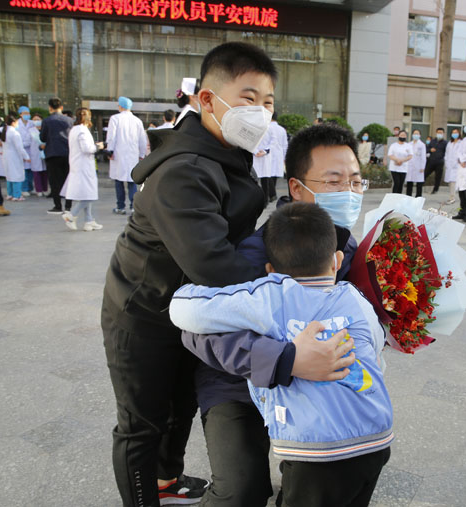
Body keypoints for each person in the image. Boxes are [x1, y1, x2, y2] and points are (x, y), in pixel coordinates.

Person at [101, 42, 312, 507]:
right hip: (144, 311)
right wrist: (290, 273)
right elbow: (214, 264)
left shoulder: (224, 152)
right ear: (208, 100)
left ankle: (165, 480)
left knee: (180, 405)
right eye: (248, 98)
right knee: (141, 424)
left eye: (268, 102)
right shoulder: (184, 170)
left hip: (191, 308)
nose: (260, 112)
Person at [186, 123, 365, 507]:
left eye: (355, 181)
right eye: (334, 182)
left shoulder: (347, 246)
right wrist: (285, 359)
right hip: (237, 381)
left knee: (337, 468)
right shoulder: (258, 251)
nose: (349, 193)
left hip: (313, 382)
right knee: (241, 490)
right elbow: (197, 331)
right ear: (297, 188)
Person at [171, 202, 392, 507]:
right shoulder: (355, 297)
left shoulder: (270, 294)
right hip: (376, 439)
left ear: (271, 271)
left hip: (317, 451)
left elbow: (182, 309)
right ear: (337, 261)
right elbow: (377, 345)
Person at [62, 108, 104, 232]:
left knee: (86, 193)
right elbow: (87, 149)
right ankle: (71, 215)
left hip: (79, 165)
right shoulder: (82, 130)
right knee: (89, 194)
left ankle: (89, 221)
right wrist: (98, 147)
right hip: (84, 166)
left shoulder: (75, 130)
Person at [106, 96, 147, 215]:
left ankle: (120, 206)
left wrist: (110, 151)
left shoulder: (115, 118)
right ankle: (134, 207)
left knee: (119, 181)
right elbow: (142, 139)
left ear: (121, 106)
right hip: (133, 155)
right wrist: (142, 154)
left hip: (118, 155)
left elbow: (111, 137)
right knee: (132, 181)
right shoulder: (137, 121)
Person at [40, 97, 74, 214]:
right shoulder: (69, 120)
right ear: (61, 107)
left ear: (50, 108)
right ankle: (68, 206)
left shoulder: (46, 121)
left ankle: (57, 205)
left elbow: (42, 138)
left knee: (54, 181)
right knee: (67, 180)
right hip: (67, 154)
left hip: (52, 153)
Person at [1, 114, 31, 201]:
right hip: (14, 157)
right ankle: (17, 195)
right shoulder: (15, 133)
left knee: (9, 176)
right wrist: (26, 157)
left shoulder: (5, 131)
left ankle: (10, 194)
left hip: (6, 156)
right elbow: (19, 148)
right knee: (16, 175)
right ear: (13, 122)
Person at [253, 119, 274, 206]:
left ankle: (265, 201)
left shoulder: (269, 128)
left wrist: (265, 151)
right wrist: (255, 151)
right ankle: (256, 200)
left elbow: (273, 141)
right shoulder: (253, 127)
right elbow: (248, 140)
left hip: (265, 157)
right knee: (255, 179)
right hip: (255, 156)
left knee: (265, 181)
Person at [268, 112, 288, 201]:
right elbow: (285, 145)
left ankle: (271, 194)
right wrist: (285, 157)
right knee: (274, 175)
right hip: (279, 154)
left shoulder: (267, 128)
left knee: (267, 174)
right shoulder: (282, 130)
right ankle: (271, 193)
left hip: (267, 154)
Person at [17, 106, 36, 196]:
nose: (27, 115)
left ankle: (30, 188)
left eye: (28, 113)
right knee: (24, 170)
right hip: (21, 148)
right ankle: (24, 188)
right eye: (24, 113)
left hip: (31, 149)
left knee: (31, 170)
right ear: (20, 114)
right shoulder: (17, 123)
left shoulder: (32, 123)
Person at [423, 127, 448, 194]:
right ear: (436, 133)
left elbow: (447, 152)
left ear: (443, 133)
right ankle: (420, 185)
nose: (439, 134)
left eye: (441, 133)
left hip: (440, 162)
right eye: (438, 132)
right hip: (431, 161)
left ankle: (435, 189)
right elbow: (426, 149)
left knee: (438, 177)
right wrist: (430, 150)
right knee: (425, 174)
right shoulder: (432, 141)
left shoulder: (445, 143)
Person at [29, 114, 48, 196]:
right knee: (36, 172)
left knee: (45, 172)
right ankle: (39, 190)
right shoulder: (30, 130)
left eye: (38, 119)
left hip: (45, 151)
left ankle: (45, 189)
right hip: (35, 152)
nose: (36, 121)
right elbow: (28, 142)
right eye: (34, 119)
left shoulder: (45, 129)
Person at [405, 128, 427, 197]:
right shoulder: (409, 144)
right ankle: (408, 197)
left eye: (417, 134)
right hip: (410, 166)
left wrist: (422, 167)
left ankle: (418, 198)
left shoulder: (422, 145)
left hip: (418, 166)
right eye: (414, 133)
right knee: (409, 182)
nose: (416, 135)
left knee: (419, 183)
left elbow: (423, 157)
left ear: (420, 135)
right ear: (412, 135)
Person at [444, 128, 461, 205]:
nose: (454, 134)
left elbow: (460, 154)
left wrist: (457, 162)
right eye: (453, 132)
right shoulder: (450, 143)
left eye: (456, 132)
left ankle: (452, 198)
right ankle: (451, 197)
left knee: (454, 183)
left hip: (457, 166)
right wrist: (446, 162)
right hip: (449, 166)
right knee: (451, 183)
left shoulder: (461, 143)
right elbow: (446, 154)